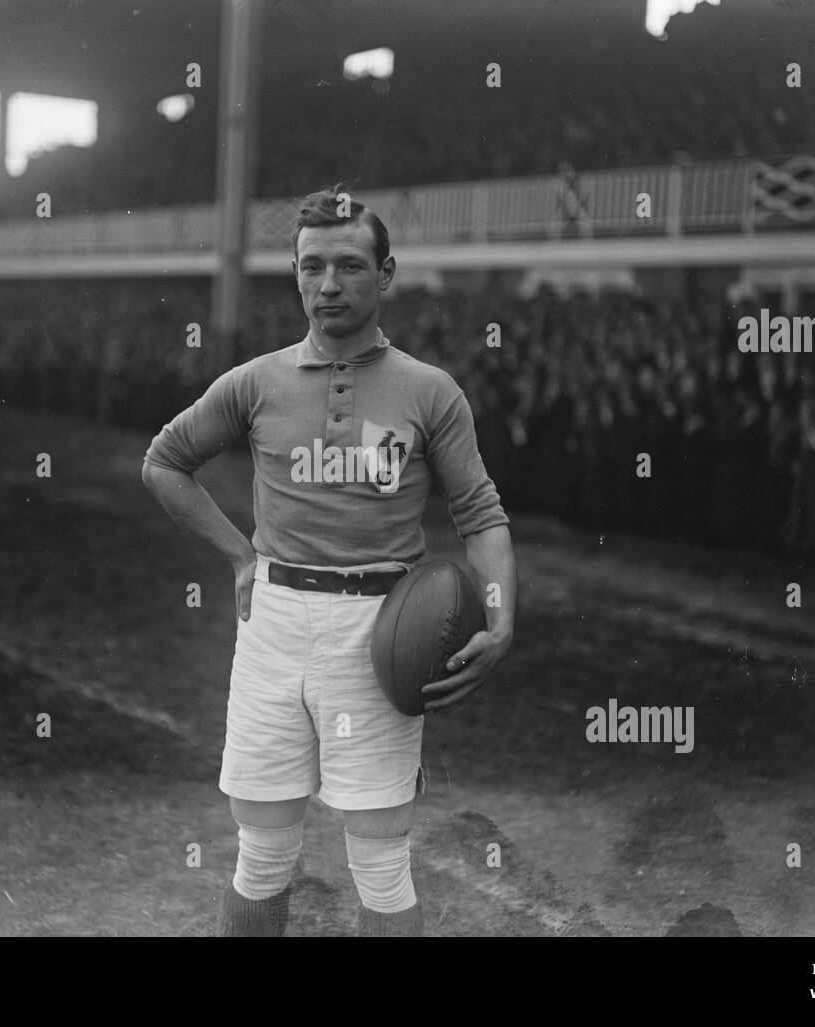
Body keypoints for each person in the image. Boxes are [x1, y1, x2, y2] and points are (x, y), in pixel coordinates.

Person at [141, 186, 517, 937]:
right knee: (262, 853)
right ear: (295, 274)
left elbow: (481, 514)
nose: (329, 283)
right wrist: (240, 555)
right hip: (274, 623)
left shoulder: (430, 390)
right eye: (312, 266)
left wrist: (501, 619)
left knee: (380, 864)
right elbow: (164, 461)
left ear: (386, 274)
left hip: (382, 630)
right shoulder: (256, 381)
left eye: (349, 264)